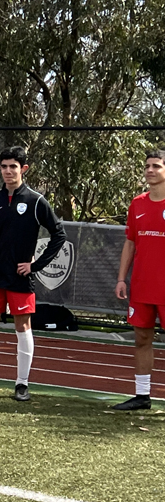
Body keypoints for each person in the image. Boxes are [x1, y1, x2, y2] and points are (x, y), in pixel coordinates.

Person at [0, 145, 66, 402]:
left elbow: (59, 234)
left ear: (24, 169)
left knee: (23, 327)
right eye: (4, 166)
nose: (8, 171)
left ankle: (22, 384)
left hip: (21, 278)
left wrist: (35, 265)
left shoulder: (36, 201)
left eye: (13, 166)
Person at [112, 149, 165, 411]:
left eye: (156, 166)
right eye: (147, 166)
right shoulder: (137, 204)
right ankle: (142, 396)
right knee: (142, 339)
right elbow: (130, 243)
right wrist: (121, 278)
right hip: (142, 287)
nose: (150, 170)